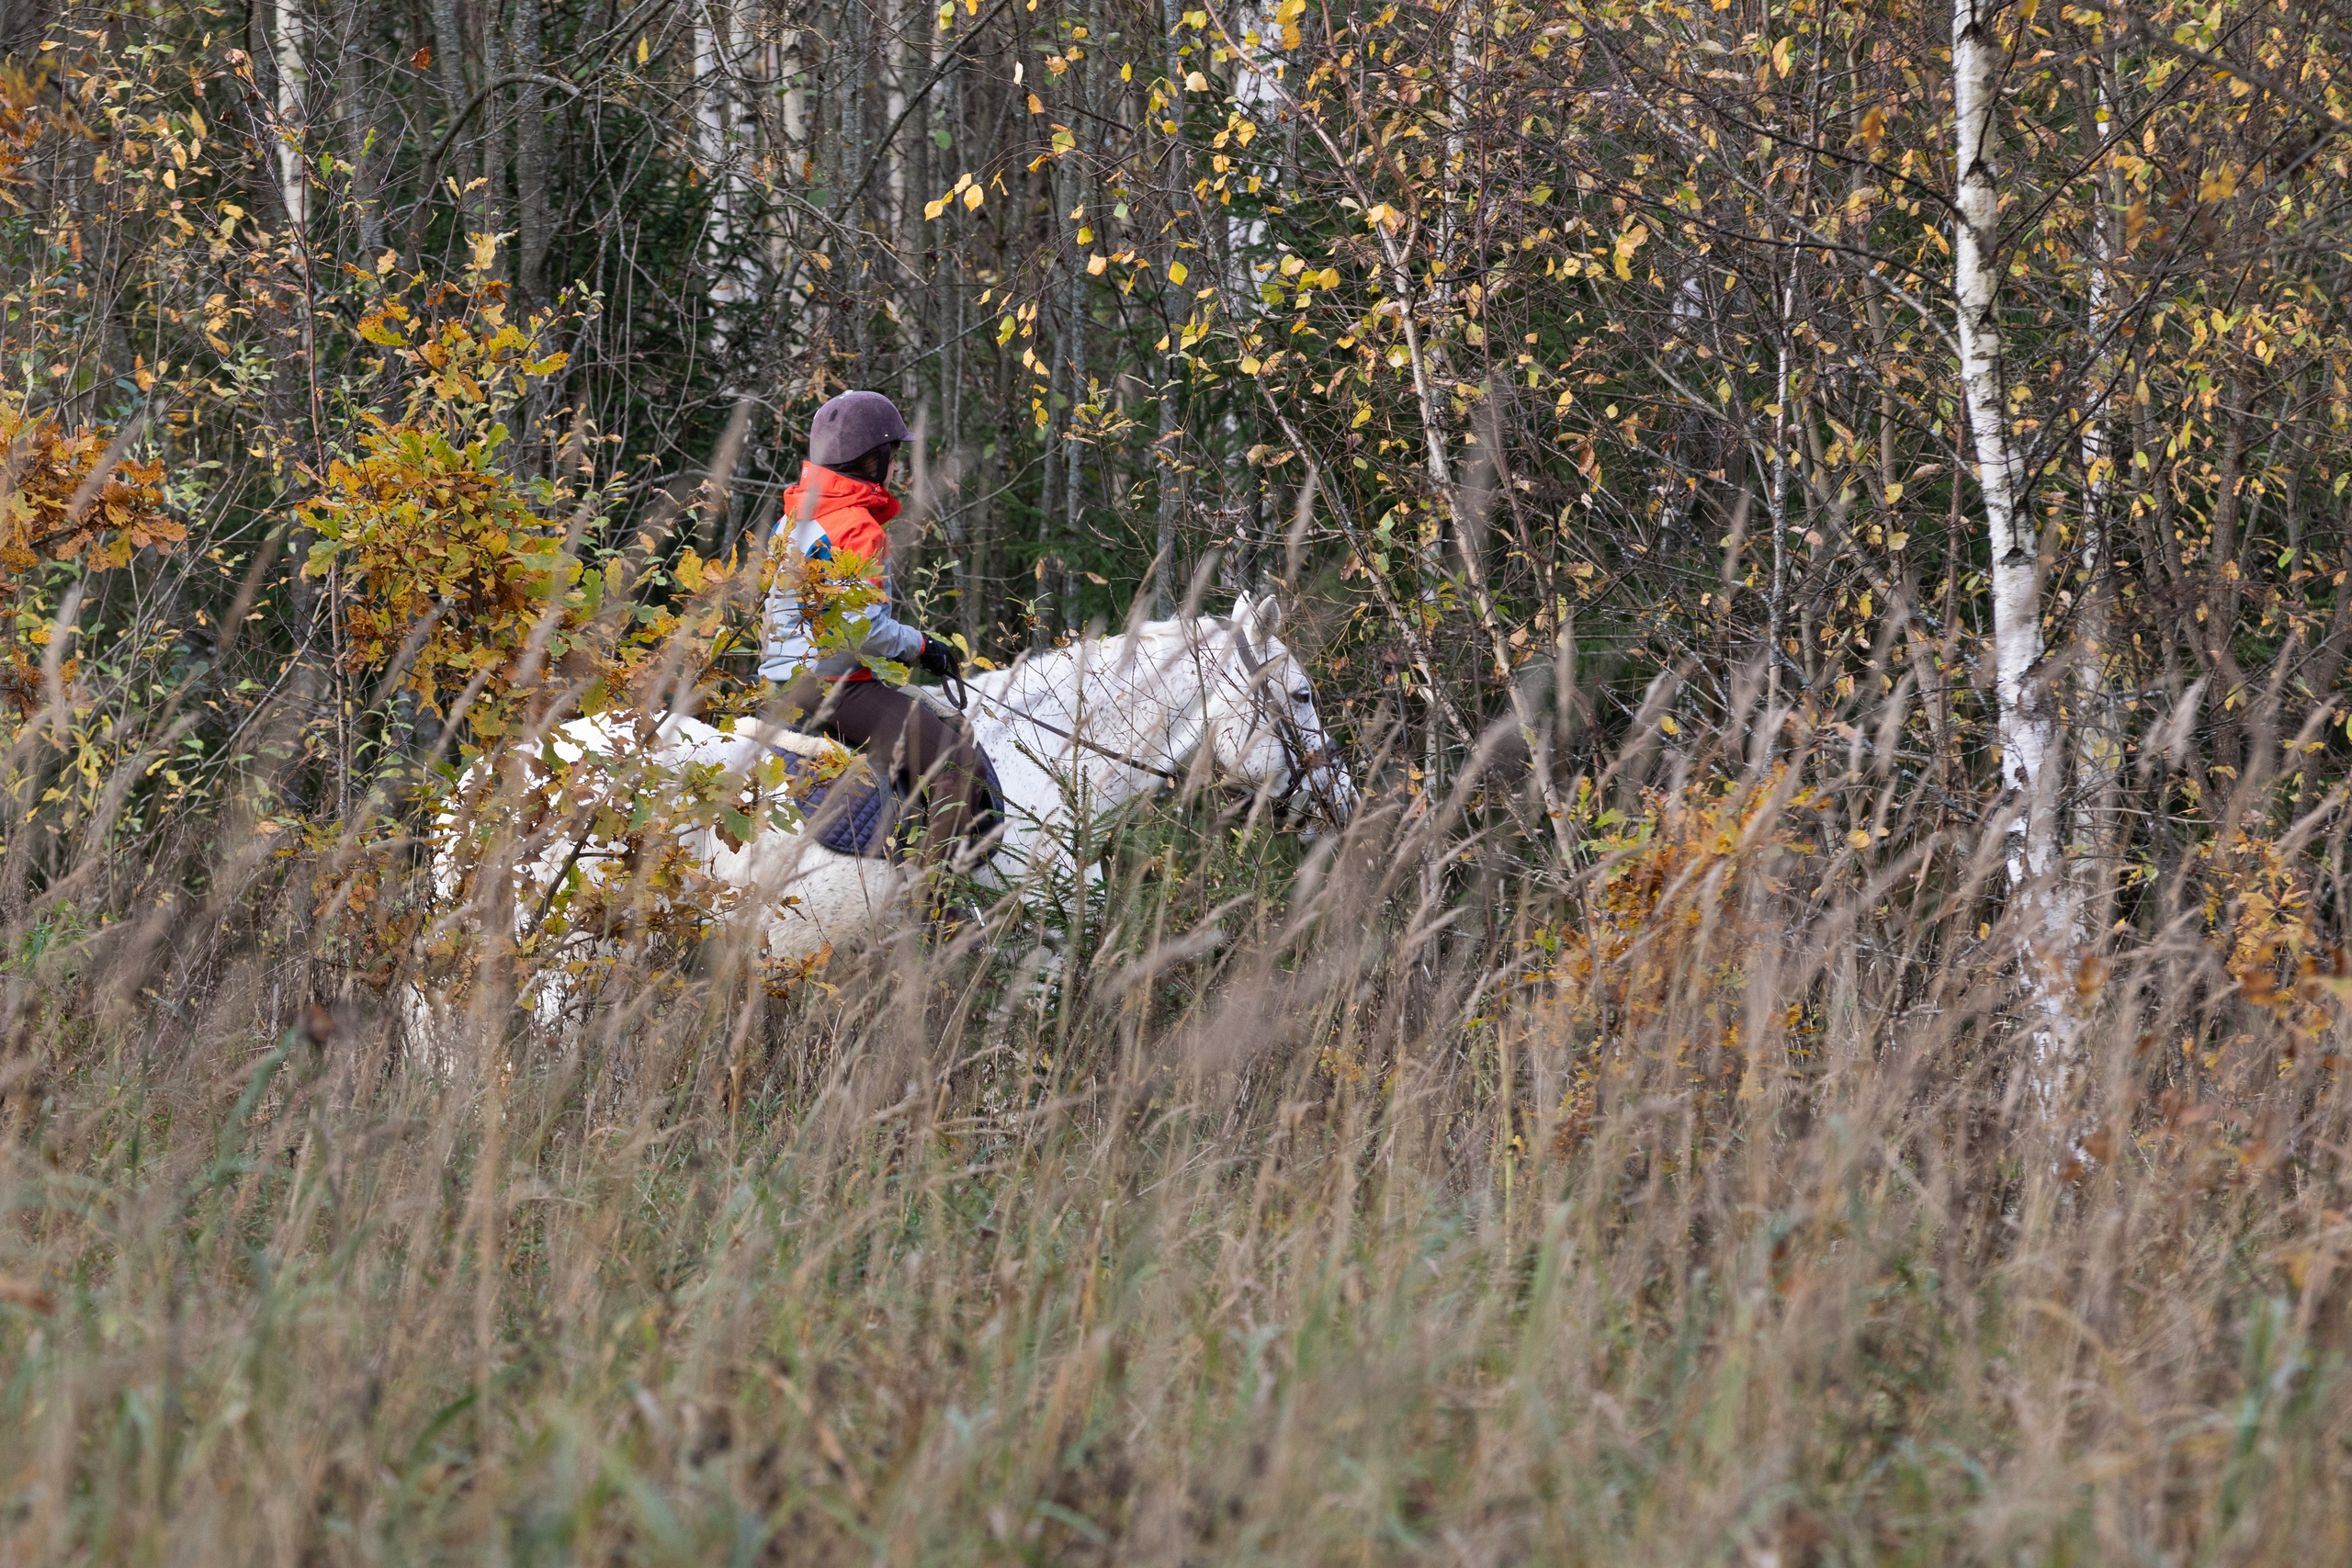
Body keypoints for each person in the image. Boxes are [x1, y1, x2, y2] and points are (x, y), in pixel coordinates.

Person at [760, 390, 993, 857]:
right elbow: (861, 630)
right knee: (959, 763)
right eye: (894, 454)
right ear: (874, 458)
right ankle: (931, 907)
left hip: (774, 682)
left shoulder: (794, 517)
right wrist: (924, 646)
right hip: (835, 686)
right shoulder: (857, 527)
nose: (896, 466)